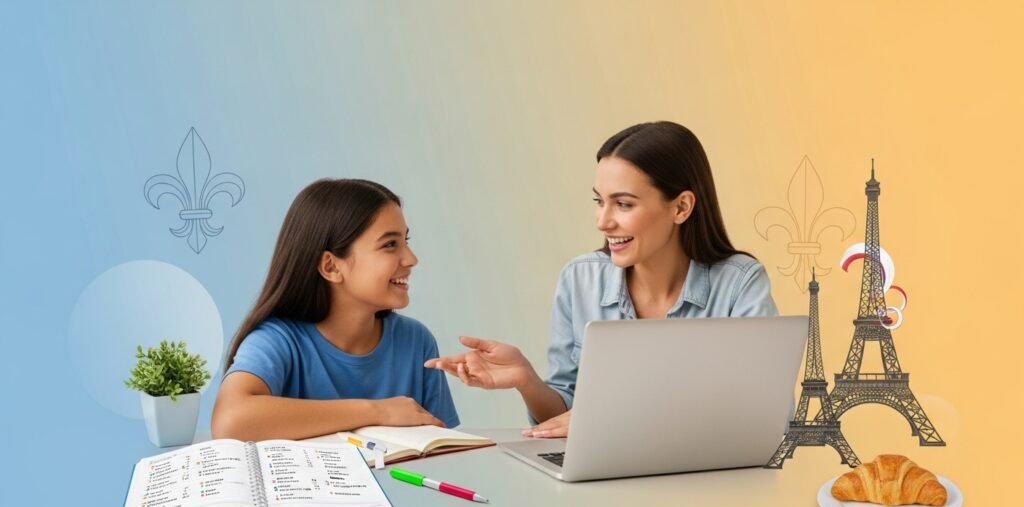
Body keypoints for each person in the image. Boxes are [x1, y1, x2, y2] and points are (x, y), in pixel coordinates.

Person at [426, 121, 777, 438]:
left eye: (623, 204)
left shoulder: (739, 285)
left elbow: (767, 416)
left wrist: (620, 421)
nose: (602, 221)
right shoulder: (580, 280)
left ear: (681, 207)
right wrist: (526, 379)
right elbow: (563, 420)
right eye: (599, 201)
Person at [212, 178, 458, 441]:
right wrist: (377, 411)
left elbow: (439, 446)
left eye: (405, 240)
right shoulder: (277, 341)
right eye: (389, 244)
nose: (411, 259)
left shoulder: (416, 342)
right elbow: (230, 421)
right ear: (331, 267)